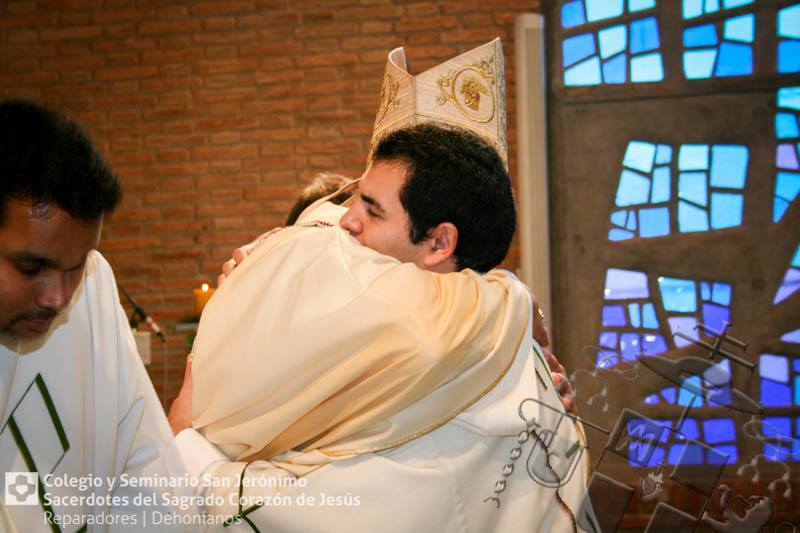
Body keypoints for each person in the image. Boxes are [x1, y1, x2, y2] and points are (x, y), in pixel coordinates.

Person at [168, 124, 590, 532]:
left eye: (372, 210)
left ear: (439, 243)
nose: (346, 222)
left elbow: (307, 513)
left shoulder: (428, 361)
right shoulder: (494, 319)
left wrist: (186, 445)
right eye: (354, 200)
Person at [0, 100, 190, 531]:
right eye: (32, 267)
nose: (58, 298)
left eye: (76, 264)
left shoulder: (94, 284)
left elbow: (142, 467)